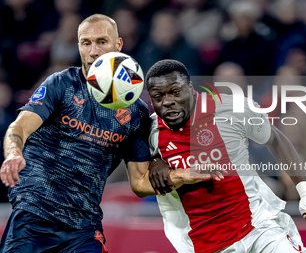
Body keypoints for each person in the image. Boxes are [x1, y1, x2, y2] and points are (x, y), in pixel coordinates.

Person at [0, 14, 214, 253]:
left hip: (83, 227)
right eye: (86, 43)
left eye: (101, 41)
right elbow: (18, 127)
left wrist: (181, 176)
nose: (93, 51)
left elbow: (140, 183)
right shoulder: (61, 84)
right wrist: (12, 154)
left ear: (118, 45)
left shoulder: (136, 114)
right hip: (33, 215)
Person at [144, 59, 306, 253]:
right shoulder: (149, 134)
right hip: (208, 245)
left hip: (259, 229)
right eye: (158, 96)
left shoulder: (230, 108)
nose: (167, 101)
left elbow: (275, 138)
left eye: (175, 92)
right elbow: (137, 182)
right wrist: (153, 163)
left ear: (191, 88)